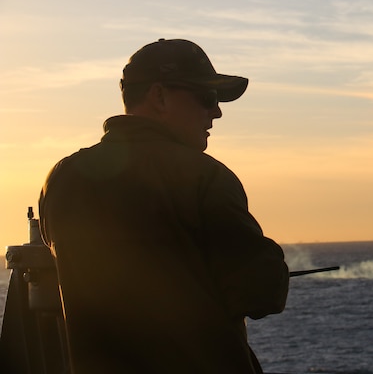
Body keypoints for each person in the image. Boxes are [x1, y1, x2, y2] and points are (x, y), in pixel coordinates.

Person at [39, 38, 289, 374]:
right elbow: (261, 294)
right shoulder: (205, 177)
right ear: (159, 96)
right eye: (207, 97)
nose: (216, 111)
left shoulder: (62, 179)